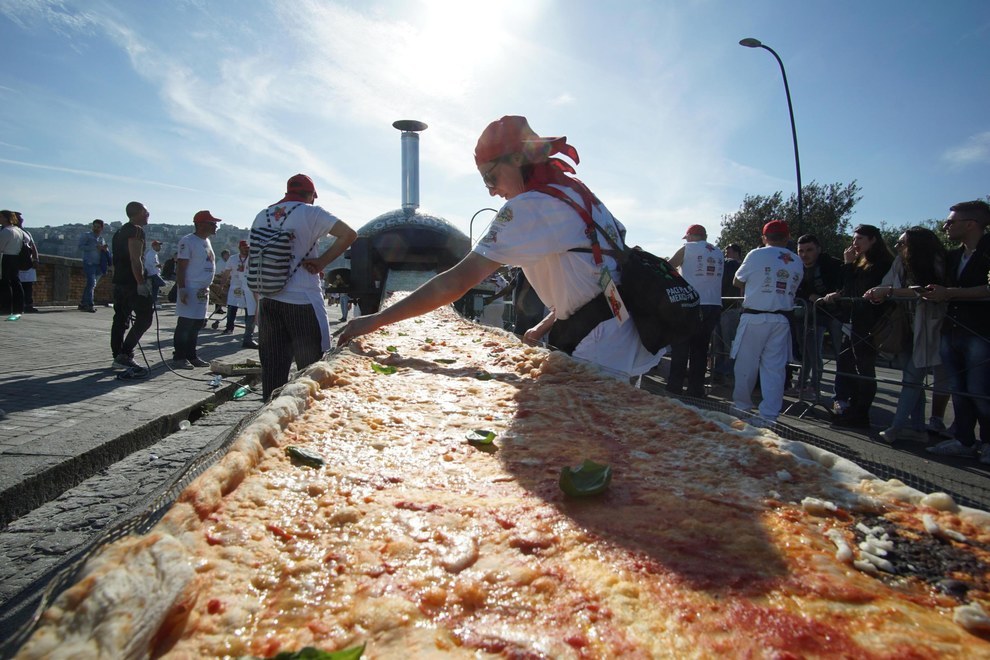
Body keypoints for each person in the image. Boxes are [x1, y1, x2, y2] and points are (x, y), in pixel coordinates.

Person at [338, 115, 663, 382]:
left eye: (491, 179)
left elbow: (455, 282)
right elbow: (598, 276)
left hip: (601, 350)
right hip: (631, 337)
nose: (492, 192)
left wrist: (375, 321)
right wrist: (545, 325)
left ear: (518, 159)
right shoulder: (578, 195)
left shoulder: (529, 207)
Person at [252, 174, 357, 401]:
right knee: (312, 369)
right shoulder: (311, 213)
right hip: (302, 301)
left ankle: (268, 421)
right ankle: (307, 421)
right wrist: (322, 262)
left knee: (272, 368)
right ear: (311, 195)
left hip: (268, 300)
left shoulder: (262, 215)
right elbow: (349, 234)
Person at [863, 227, 947, 444]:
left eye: (903, 243)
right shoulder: (899, 263)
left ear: (917, 245)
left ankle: (896, 428)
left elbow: (930, 290)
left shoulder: (937, 261)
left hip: (928, 327)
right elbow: (885, 284)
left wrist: (889, 292)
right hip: (904, 329)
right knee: (912, 380)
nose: (898, 247)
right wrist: (878, 292)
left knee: (912, 378)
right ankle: (918, 428)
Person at [922, 200, 990, 462]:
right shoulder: (952, 256)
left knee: (980, 390)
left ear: (971, 224)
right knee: (959, 389)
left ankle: (987, 442)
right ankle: (963, 439)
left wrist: (949, 293)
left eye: (951, 222)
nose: (945, 226)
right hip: (952, 329)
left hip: (981, 331)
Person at [730, 221, 804, 423]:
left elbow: (737, 280)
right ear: (787, 237)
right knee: (774, 369)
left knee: (746, 365)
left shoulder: (756, 254)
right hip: (781, 319)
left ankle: (742, 407)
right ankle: (769, 415)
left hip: (755, 316)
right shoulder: (797, 260)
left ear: (764, 238)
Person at [822, 225, 895, 429]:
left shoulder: (881, 263)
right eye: (854, 239)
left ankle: (861, 413)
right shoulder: (860, 262)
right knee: (845, 362)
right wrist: (849, 267)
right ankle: (850, 407)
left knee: (864, 369)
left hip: (869, 322)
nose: (855, 243)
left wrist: (848, 265)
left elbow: (858, 289)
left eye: (860, 239)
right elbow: (846, 288)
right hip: (854, 320)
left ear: (873, 240)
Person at [666, 224, 724, 397]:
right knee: (700, 349)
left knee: (681, 347)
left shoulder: (688, 248)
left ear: (690, 236)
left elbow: (669, 267)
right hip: (713, 304)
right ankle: (695, 389)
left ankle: (675, 387)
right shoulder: (718, 251)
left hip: (691, 303)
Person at [792, 234, 844, 396]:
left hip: (835, 314)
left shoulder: (833, 264)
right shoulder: (796, 267)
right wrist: (809, 295)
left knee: (840, 354)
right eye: (801, 251)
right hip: (810, 314)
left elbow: (846, 283)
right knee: (808, 351)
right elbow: (795, 286)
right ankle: (804, 385)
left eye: (809, 250)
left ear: (818, 250)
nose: (804, 254)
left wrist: (836, 294)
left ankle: (840, 392)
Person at [171, 211, 221, 369]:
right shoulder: (188, 241)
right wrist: (182, 288)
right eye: (212, 223)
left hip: (202, 290)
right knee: (185, 323)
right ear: (200, 224)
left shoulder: (206, 241)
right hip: (191, 287)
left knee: (197, 323)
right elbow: (181, 267)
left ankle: (191, 355)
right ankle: (179, 356)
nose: (215, 226)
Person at [110, 202, 154, 371]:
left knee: (120, 319)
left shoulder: (119, 232)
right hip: (131, 283)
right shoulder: (136, 231)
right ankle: (126, 353)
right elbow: (135, 259)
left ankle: (118, 356)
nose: (148, 214)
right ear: (139, 213)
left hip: (120, 282)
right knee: (145, 318)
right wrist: (141, 283)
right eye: (146, 211)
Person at [713, 243, 743, 381]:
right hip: (723, 307)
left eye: (728, 252)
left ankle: (727, 373)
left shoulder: (737, 266)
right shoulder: (726, 265)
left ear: (737, 252)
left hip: (730, 308)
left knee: (728, 343)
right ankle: (719, 372)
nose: (726, 254)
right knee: (719, 343)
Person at [220, 240, 258, 348]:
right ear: (240, 248)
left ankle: (248, 336)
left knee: (249, 312)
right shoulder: (232, 259)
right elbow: (227, 272)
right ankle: (229, 327)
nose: (247, 249)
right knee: (232, 308)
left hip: (249, 287)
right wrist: (222, 284)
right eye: (245, 247)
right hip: (237, 287)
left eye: (248, 248)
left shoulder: (252, 258)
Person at [77, 219, 109, 312]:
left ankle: (83, 303)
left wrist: (104, 249)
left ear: (102, 228)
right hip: (89, 263)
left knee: (91, 285)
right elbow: (80, 247)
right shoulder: (86, 236)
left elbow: (103, 252)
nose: (96, 229)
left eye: (98, 227)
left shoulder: (101, 239)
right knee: (91, 283)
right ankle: (89, 304)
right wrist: (94, 247)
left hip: (99, 265)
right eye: (94, 226)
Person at [0, 210, 26, 317]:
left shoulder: (6, 231)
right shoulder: (18, 230)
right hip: (15, 257)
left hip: (5, 257)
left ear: (6, 218)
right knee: (16, 282)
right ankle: (18, 308)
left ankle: (6, 307)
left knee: (5, 283)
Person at [13, 212, 40, 313]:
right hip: (15, 261)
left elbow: (33, 246)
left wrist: (36, 259)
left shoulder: (26, 232)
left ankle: (28, 305)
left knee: (28, 285)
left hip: (27, 262)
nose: (21, 220)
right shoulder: (7, 231)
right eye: (19, 219)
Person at [143, 239, 167, 309]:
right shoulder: (151, 254)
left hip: (155, 272)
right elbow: (151, 263)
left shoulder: (154, 254)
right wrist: (158, 265)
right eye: (158, 246)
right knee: (162, 283)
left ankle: (154, 301)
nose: (160, 247)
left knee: (155, 289)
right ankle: (153, 300)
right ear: (154, 246)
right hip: (152, 273)